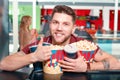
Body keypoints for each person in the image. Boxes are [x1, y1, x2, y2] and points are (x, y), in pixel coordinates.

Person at [0, 5, 119, 72]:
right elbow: (4, 64)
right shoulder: (41, 45)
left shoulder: (82, 45)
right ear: (50, 24)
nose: (59, 28)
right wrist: (34, 56)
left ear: (73, 29)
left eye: (65, 24)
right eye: (55, 22)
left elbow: (116, 63)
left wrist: (87, 66)